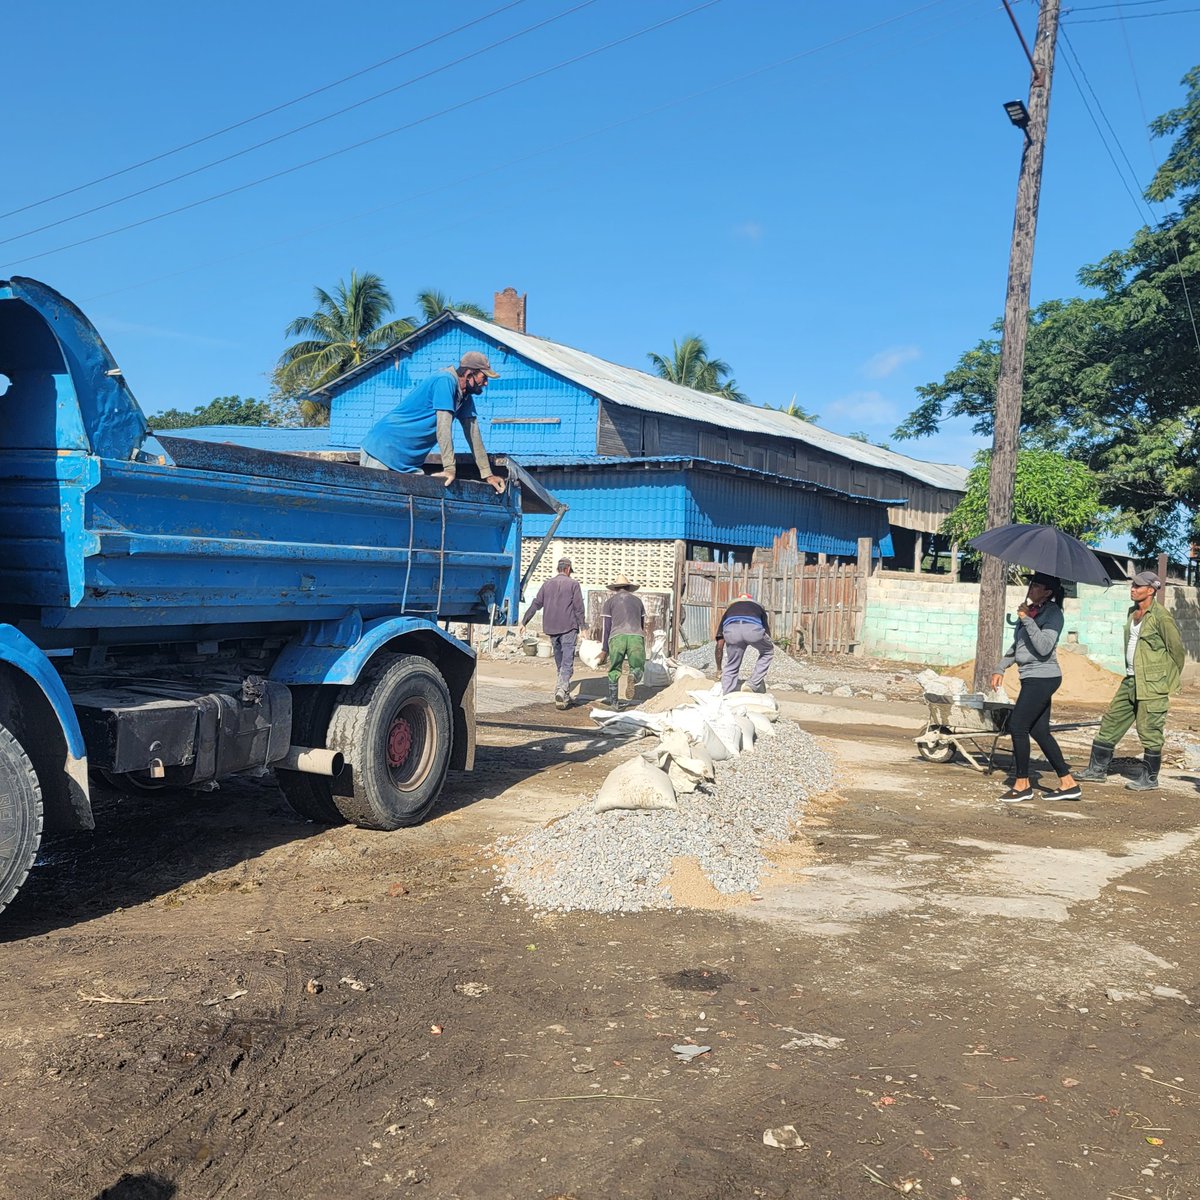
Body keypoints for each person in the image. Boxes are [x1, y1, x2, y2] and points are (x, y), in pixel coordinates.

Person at [1078, 569, 1185, 791]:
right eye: (1132, 586)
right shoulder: (1132, 612)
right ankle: (1096, 770)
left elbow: (1177, 652)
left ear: (1151, 590)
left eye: (1137, 586)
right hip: (1130, 680)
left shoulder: (1161, 617)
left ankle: (1150, 778)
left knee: (1149, 730)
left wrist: (1166, 682)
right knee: (1110, 722)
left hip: (1152, 685)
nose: (1133, 589)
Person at [989, 572, 1080, 803]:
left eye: (1037, 585)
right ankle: (1068, 783)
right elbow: (1018, 645)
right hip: (1031, 677)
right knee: (1038, 731)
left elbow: (1043, 647)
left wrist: (1027, 619)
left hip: (1044, 677)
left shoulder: (1053, 615)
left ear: (1048, 592)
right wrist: (1001, 667)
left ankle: (1022, 785)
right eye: (1031, 583)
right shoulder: (1032, 611)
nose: (1031, 587)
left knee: (1018, 725)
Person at [360, 351, 506, 494]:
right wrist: (449, 469)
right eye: (484, 377)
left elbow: (473, 435)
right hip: (384, 449)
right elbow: (443, 428)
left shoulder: (465, 397)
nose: (486, 383)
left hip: (409, 463)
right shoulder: (445, 381)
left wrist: (488, 475)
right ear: (469, 375)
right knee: (372, 503)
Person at [519, 558, 586, 710]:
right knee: (567, 662)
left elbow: (536, 604)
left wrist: (524, 621)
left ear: (558, 568)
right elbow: (578, 608)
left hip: (551, 628)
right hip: (569, 627)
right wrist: (583, 627)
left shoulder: (547, 584)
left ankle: (564, 695)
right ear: (568, 569)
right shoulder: (573, 584)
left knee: (560, 662)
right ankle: (562, 690)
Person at [715, 592, 774, 694]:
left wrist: (719, 669)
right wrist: (766, 642)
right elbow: (767, 631)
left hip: (731, 632)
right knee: (768, 651)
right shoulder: (757, 607)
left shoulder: (729, 610)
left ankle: (726, 694)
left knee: (732, 664)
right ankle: (752, 684)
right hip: (752, 630)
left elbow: (720, 644)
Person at [601, 575, 645, 709]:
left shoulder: (609, 602)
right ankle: (633, 675)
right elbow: (642, 625)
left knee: (614, 669)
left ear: (615, 588)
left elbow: (606, 628)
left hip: (617, 637)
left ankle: (614, 703)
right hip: (636, 636)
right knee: (638, 667)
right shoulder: (638, 601)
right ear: (629, 587)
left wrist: (604, 650)